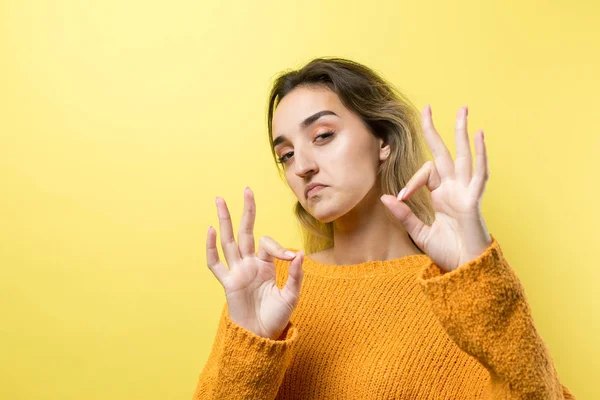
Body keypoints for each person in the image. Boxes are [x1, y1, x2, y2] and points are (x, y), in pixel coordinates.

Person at [192, 57, 575, 399]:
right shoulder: (270, 290)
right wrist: (250, 342)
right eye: (286, 155)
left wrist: (477, 275)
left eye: (323, 136)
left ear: (384, 141)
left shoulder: (459, 293)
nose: (302, 165)